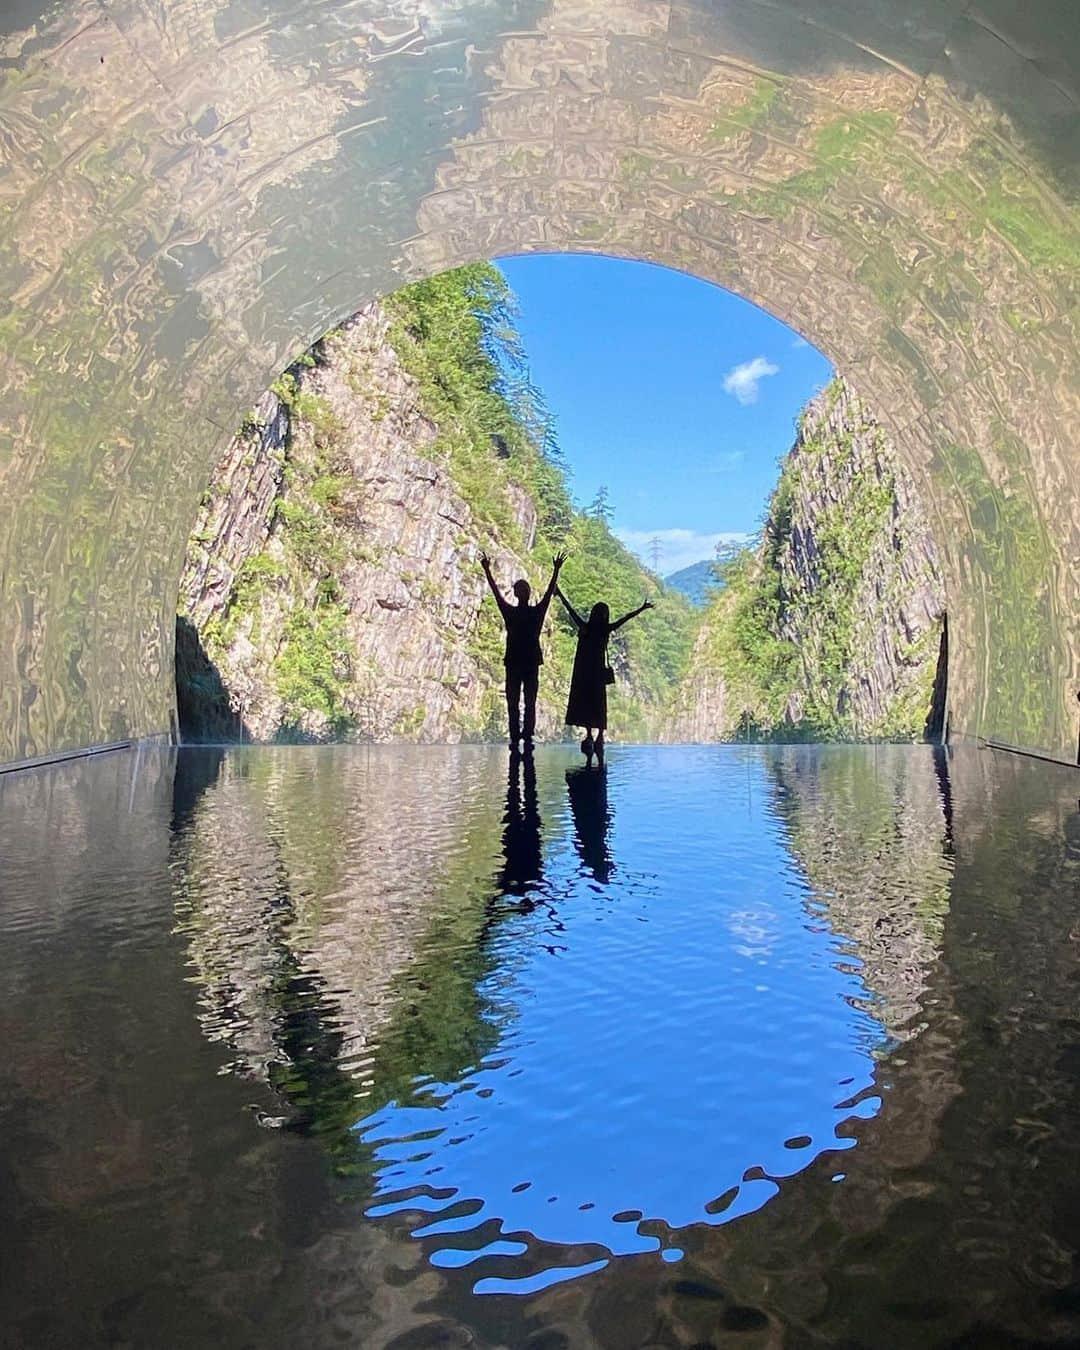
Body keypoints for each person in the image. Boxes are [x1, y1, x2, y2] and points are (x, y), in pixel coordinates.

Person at [480, 549, 566, 753]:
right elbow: (547, 595)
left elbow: (495, 592)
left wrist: (486, 570)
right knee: (529, 701)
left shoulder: (510, 612)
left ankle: (515, 736)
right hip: (530, 662)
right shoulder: (537, 612)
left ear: (517, 593)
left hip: (513, 661)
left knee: (513, 701)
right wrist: (556, 571)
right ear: (527, 594)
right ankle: (527, 736)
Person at [556, 587, 653, 761]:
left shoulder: (585, 627)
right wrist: (641, 608)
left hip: (585, 673)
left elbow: (570, 610)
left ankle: (590, 735)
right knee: (599, 704)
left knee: (587, 704)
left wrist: (559, 593)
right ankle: (599, 735)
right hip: (598, 674)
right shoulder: (605, 629)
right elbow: (625, 618)